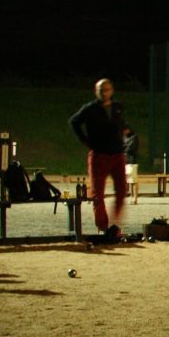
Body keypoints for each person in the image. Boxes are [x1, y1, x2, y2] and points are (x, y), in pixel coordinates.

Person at [69, 80, 127, 239]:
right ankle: (103, 226)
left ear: (112, 90)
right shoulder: (90, 109)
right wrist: (85, 141)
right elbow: (74, 121)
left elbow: (120, 124)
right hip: (99, 155)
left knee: (122, 189)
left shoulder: (117, 107)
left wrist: (124, 136)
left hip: (117, 154)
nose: (104, 93)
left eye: (107, 89)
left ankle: (115, 224)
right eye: (101, 90)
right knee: (97, 194)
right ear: (96, 91)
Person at [122, 125, 141, 205]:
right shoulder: (125, 138)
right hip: (125, 161)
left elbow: (130, 148)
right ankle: (131, 197)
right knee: (129, 181)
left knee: (133, 181)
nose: (123, 132)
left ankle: (135, 198)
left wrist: (123, 148)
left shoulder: (134, 137)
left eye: (124, 130)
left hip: (132, 161)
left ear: (128, 130)